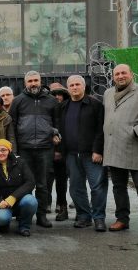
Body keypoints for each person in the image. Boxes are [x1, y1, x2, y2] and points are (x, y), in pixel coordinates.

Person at [103, 64, 138, 235]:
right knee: (118, 186)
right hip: (113, 148)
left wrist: (135, 132)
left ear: (131, 74)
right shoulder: (108, 93)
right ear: (113, 77)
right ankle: (122, 219)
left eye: (123, 73)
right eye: (117, 74)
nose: (120, 76)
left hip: (135, 147)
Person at [56, 76, 108, 232]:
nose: (74, 87)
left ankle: (99, 218)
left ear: (84, 87)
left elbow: (101, 129)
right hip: (71, 154)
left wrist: (98, 150)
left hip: (91, 154)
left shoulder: (95, 105)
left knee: (97, 187)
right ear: (68, 88)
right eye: (71, 85)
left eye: (77, 84)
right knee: (76, 188)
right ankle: (84, 216)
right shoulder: (63, 106)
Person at [10, 71, 60, 228]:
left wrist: (55, 134)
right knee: (24, 184)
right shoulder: (18, 101)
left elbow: (57, 122)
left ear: (40, 81)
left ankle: (42, 216)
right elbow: (12, 125)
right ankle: (24, 215)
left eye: (36, 80)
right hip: (25, 149)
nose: (33, 83)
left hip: (45, 149)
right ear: (25, 83)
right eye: (30, 81)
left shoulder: (51, 101)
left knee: (43, 184)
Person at [0, 139, 37, 236]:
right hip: (1, 203)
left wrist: (13, 197)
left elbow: (30, 182)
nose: (0, 153)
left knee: (31, 201)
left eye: (3, 150)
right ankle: (4, 223)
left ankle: (24, 226)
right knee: (1, 219)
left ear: (9, 150)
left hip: (19, 200)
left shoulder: (20, 162)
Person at [47, 82, 71, 220]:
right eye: (54, 94)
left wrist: (60, 148)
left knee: (62, 180)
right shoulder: (47, 109)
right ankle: (47, 203)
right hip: (47, 148)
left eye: (60, 94)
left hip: (64, 149)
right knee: (47, 179)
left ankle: (62, 205)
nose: (57, 97)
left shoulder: (67, 109)